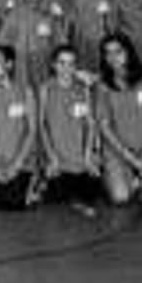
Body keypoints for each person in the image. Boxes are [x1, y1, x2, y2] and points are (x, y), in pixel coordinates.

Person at [95, 33, 142, 205]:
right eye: (108, 53)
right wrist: (131, 159)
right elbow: (105, 127)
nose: (113, 58)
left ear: (129, 52)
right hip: (118, 153)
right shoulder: (103, 85)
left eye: (118, 51)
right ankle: (119, 174)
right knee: (121, 198)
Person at [38, 45, 104, 215]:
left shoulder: (83, 88)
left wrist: (88, 155)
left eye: (71, 63)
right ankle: (53, 188)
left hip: (79, 155)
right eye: (62, 63)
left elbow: (90, 124)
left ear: (76, 67)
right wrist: (52, 157)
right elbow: (41, 125)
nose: (66, 68)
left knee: (94, 187)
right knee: (57, 190)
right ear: (54, 65)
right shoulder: (46, 88)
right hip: (57, 156)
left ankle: (77, 198)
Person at [0, 45, 38, 211]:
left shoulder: (26, 92)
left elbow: (32, 131)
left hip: (21, 161)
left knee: (15, 203)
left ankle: (34, 183)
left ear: (9, 64)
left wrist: (16, 164)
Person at [0, 0, 67, 92]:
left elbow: (61, 44)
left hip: (43, 71)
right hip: (19, 72)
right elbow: (2, 44)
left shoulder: (48, 17)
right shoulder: (13, 16)